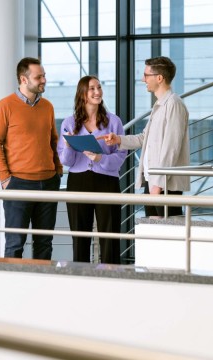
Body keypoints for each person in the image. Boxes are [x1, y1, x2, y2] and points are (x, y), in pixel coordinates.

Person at [0, 57, 62, 259]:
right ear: (24, 79)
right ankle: (11, 289)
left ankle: (41, 288)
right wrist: (5, 178)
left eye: (44, 76)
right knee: (14, 245)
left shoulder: (47, 107)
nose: (44, 80)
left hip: (48, 183)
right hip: (18, 183)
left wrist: (58, 171)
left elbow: (53, 140)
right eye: (39, 77)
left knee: (44, 244)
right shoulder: (4, 107)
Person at [103, 57, 189, 217]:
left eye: (146, 75)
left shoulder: (174, 104)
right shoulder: (159, 105)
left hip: (164, 184)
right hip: (153, 180)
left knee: (166, 235)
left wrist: (159, 184)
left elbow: (172, 148)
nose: (143, 79)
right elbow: (144, 138)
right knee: (153, 234)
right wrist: (119, 139)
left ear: (159, 78)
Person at [57, 76, 127, 264]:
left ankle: (112, 280)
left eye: (99, 87)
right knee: (80, 237)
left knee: (110, 236)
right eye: (92, 89)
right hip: (78, 182)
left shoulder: (114, 122)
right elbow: (66, 161)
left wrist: (100, 158)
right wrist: (69, 145)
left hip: (107, 181)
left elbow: (121, 156)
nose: (97, 92)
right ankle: (81, 280)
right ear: (82, 94)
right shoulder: (69, 123)